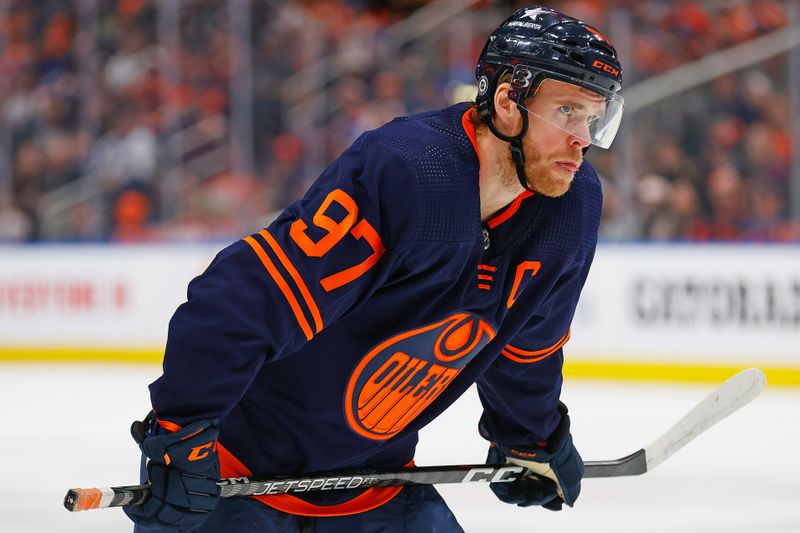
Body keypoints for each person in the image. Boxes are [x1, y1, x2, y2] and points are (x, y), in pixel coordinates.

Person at [125, 6, 624, 532]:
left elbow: (528, 345)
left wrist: (530, 437)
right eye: (567, 111)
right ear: (507, 103)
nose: (583, 138)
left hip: (378, 483)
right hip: (234, 474)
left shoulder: (570, 208)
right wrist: (180, 430)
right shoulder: (411, 171)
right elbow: (238, 302)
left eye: (593, 118)